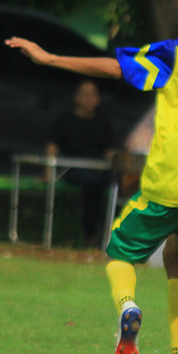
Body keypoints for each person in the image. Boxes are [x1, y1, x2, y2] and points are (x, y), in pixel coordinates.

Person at [6, 0, 178, 354]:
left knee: (119, 255)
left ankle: (129, 309)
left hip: (169, 183)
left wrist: (50, 57)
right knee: (177, 258)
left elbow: (115, 68)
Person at [47, 79, 115, 249]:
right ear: (76, 98)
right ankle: (91, 235)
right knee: (93, 185)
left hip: (99, 170)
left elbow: (109, 152)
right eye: (84, 95)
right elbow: (52, 148)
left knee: (121, 185)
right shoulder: (65, 120)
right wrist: (48, 171)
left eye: (93, 95)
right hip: (72, 169)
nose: (88, 99)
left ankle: (116, 234)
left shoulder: (103, 121)